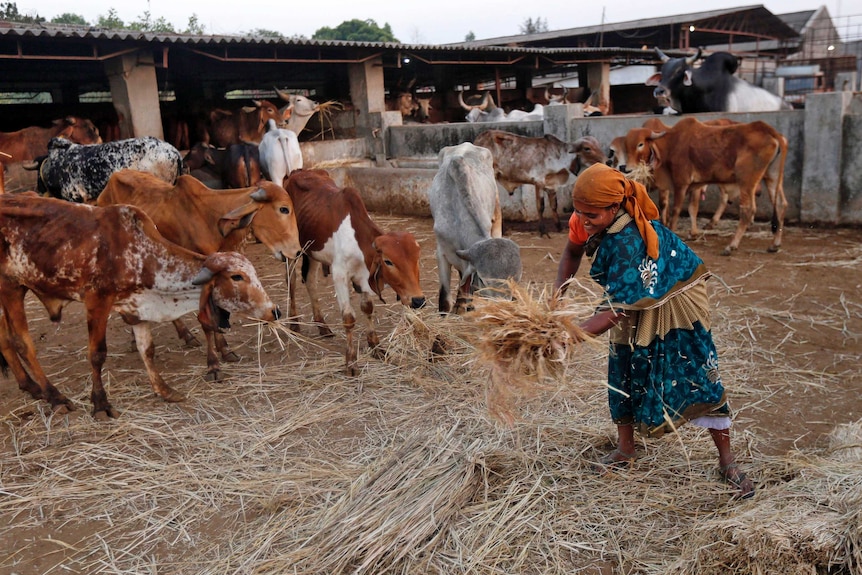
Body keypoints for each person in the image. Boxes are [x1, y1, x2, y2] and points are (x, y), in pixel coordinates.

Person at [556, 163, 754, 499]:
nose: (583, 219)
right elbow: (572, 250)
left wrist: (563, 336)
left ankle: (727, 461)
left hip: (677, 299)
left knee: (697, 373)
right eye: (579, 212)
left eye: (591, 214)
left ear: (614, 207)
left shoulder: (628, 241)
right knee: (623, 367)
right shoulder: (586, 219)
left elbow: (614, 312)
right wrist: (555, 299)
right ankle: (625, 449)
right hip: (631, 295)